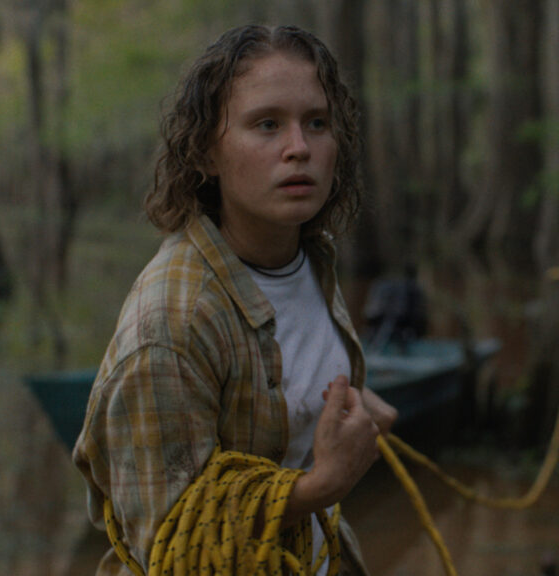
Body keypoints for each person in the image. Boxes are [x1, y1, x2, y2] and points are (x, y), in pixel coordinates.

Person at [73, 24, 397, 576]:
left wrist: (351, 400)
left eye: (316, 123)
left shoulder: (310, 257)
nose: (299, 148)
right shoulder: (170, 325)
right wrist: (321, 485)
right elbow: (168, 543)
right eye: (266, 124)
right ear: (205, 153)